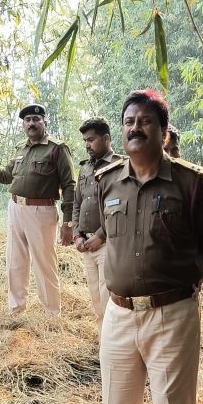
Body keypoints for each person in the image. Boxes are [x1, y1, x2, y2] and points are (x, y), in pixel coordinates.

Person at [96, 89, 203, 404]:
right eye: (129, 121)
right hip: (118, 312)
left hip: (172, 312)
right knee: (116, 402)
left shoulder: (189, 182)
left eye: (145, 121)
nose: (135, 128)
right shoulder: (107, 181)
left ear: (164, 132)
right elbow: (104, 235)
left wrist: (182, 289)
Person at [0, 104, 74, 317]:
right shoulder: (20, 149)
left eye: (36, 119)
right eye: (27, 120)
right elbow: (5, 176)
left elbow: (69, 185)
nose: (31, 123)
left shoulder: (57, 149)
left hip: (42, 212)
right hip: (15, 208)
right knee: (15, 262)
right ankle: (16, 310)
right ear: (23, 125)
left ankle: (52, 315)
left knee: (45, 264)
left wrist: (68, 222)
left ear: (45, 122)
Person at [72, 117, 118, 319]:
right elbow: (77, 203)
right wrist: (77, 235)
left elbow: (119, 208)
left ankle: (111, 340)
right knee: (96, 303)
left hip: (108, 243)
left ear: (106, 138)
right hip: (86, 245)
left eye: (91, 140)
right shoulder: (85, 168)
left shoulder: (118, 166)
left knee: (109, 300)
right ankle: (102, 339)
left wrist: (100, 235)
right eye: (85, 141)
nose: (87, 145)